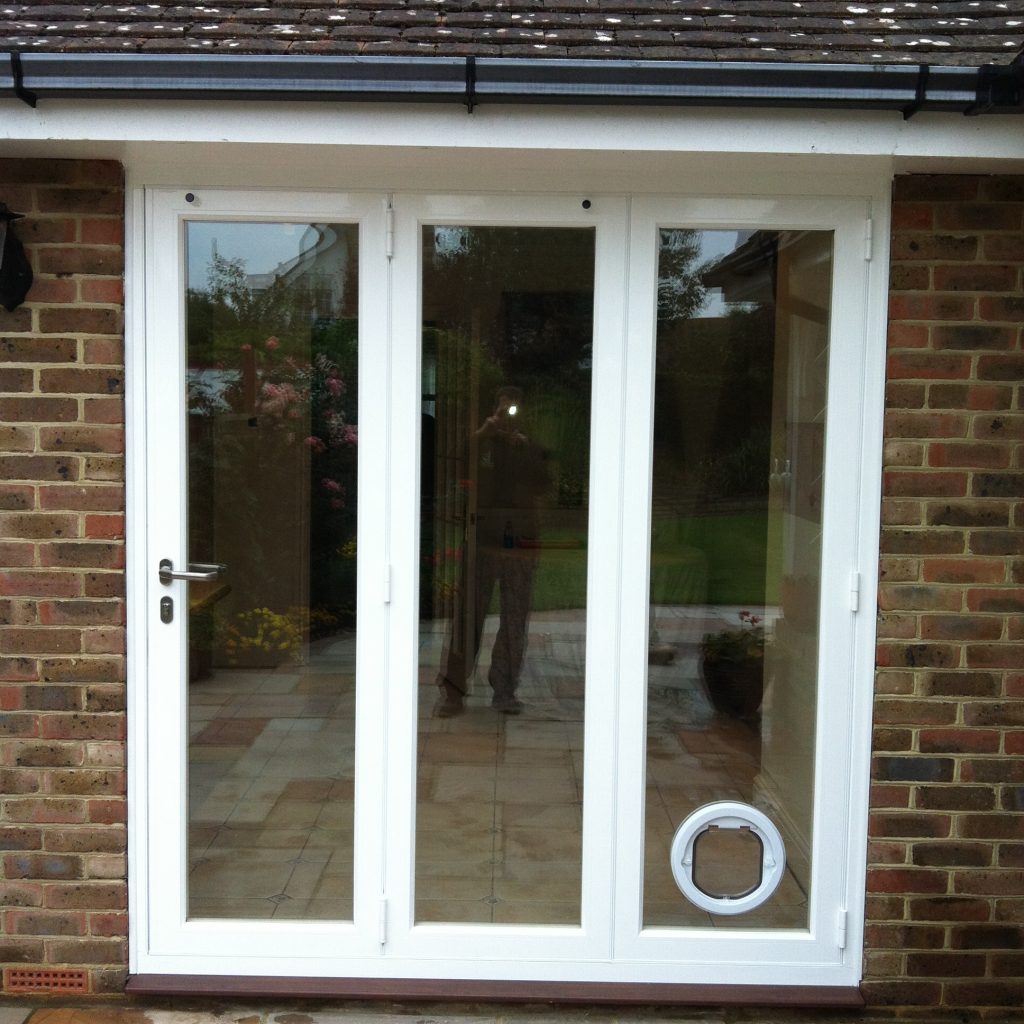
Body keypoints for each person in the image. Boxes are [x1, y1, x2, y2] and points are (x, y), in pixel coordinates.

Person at [435, 386, 550, 717]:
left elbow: (544, 482)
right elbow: (455, 467)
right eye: (503, 410)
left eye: (513, 411)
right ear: (493, 411)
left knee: (515, 616)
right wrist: (483, 434)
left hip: (521, 540)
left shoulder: (530, 444)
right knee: (469, 613)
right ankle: (453, 691)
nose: (507, 417)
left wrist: (526, 448)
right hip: (483, 536)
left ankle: (505, 689)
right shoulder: (481, 441)